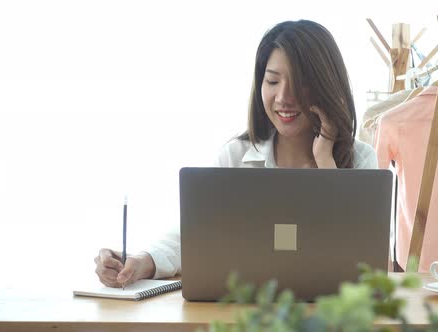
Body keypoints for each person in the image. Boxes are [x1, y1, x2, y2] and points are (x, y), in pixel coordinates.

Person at [94, 19, 378, 287]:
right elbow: (192, 237)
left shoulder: (361, 160)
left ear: (325, 85)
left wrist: (325, 160)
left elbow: (364, 260)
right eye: (273, 81)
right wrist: (141, 261)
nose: (283, 98)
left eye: (299, 83)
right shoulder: (235, 156)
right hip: (246, 314)